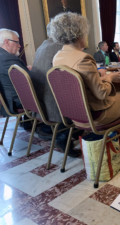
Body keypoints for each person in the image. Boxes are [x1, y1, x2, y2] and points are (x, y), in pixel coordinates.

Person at [50, 12, 120, 154]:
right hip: (94, 116)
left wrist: (99, 77)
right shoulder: (83, 58)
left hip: (72, 116)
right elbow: (101, 93)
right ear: (79, 34)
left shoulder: (57, 57)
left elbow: (79, 84)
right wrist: (110, 77)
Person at [30, 23, 81, 157]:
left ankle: (73, 132)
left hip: (41, 102)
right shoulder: (61, 48)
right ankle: (65, 136)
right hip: (55, 104)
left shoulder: (42, 46)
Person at [0, 29, 31, 123]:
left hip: (8, 100)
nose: (19, 45)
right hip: (17, 102)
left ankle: (30, 122)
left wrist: (25, 69)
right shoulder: (8, 59)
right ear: (6, 42)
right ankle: (53, 128)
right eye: (16, 42)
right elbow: (30, 81)